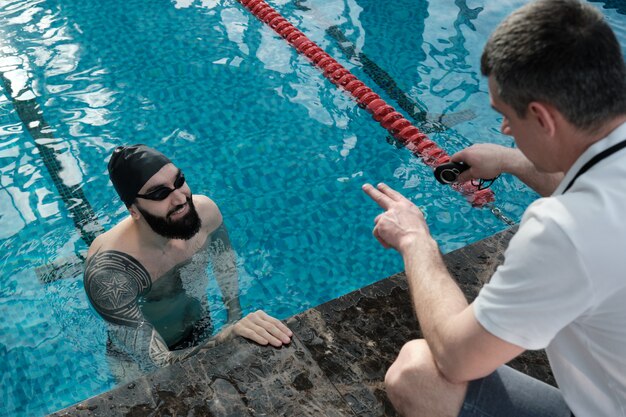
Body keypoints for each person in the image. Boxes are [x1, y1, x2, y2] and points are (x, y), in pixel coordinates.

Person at [362, 0, 626, 416]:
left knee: (419, 373)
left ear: (542, 117)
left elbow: (456, 356)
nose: (504, 129)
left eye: (506, 116)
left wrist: (415, 241)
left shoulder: (566, 229)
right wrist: (510, 159)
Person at [84, 144, 292, 380]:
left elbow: (225, 261)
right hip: (138, 362)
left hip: (202, 329)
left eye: (180, 180)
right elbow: (159, 363)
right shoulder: (110, 274)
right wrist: (225, 338)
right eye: (160, 194)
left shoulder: (205, 213)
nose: (181, 198)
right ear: (134, 210)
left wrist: (234, 318)